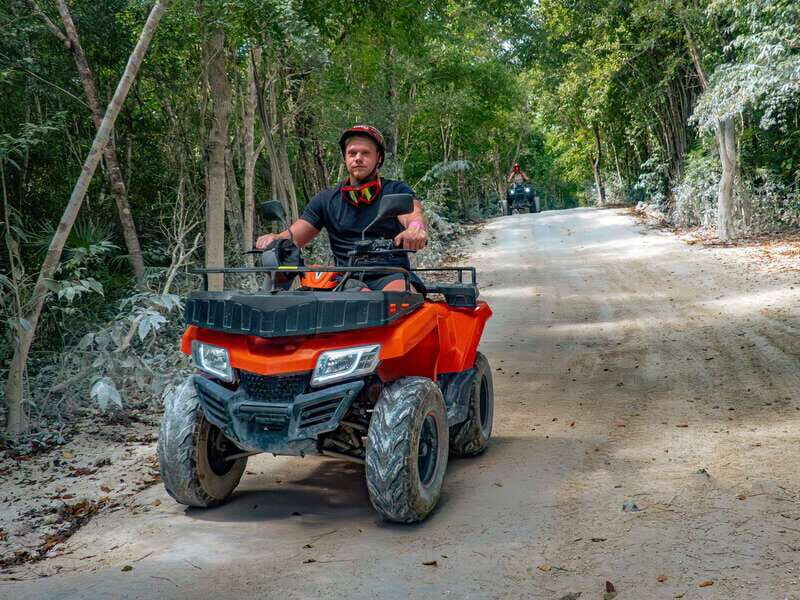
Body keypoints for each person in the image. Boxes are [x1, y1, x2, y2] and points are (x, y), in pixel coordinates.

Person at [255, 125, 428, 291]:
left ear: (379, 158)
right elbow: (295, 236)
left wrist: (415, 229)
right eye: (352, 153)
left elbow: (413, 214)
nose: (358, 158)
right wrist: (276, 237)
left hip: (390, 275)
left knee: (400, 301)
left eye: (365, 153)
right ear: (345, 158)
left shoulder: (395, 190)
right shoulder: (326, 199)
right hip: (344, 280)